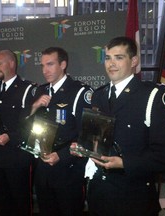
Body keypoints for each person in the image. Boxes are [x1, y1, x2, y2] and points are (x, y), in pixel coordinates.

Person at [71, 36, 165, 216]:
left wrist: (124, 163)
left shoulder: (152, 96)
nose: (111, 63)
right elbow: (97, 140)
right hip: (99, 194)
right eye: (108, 58)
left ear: (134, 61)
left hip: (133, 197)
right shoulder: (99, 95)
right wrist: (83, 148)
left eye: (119, 57)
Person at [29, 47, 93, 216]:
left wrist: (62, 155)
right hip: (42, 168)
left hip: (68, 170)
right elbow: (27, 127)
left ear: (63, 64)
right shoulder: (40, 91)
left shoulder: (80, 92)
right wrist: (34, 107)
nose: (45, 70)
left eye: (50, 64)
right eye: (42, 65)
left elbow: (87, 137)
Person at [0, 49, 36, 216]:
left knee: (20, 202)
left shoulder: (27, 89)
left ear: (12, 64)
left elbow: (31, 123)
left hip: (17, 156)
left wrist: (11, 136)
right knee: (0, 201)